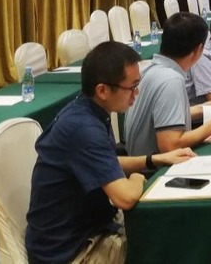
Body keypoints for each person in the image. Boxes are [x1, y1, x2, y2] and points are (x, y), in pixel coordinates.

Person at [25, 42, 196, 264]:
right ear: (103, 90)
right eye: (132, 87)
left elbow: (106, 161)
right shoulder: (83, 128)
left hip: (88, 229)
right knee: (168, 245)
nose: (136, 93)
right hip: (70, 251)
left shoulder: (89, 110)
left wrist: (153, 159)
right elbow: (125, 197)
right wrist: (137, 177)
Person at [125, 13, 211, 156]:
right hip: (155, 167)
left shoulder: (149, 69)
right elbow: (170, 146)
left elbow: (158, 116)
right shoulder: (172, 80)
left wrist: (201, 109)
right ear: (198, 50)